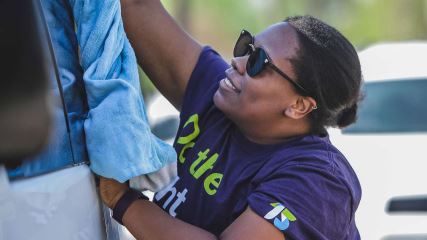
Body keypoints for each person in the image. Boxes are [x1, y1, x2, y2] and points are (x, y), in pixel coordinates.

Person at [100, 0, 363, 239]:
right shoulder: (222, 96)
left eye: (258, 61)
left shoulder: (318, 179)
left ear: (299, 106)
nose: (238, 61)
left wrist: (125, 202)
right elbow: (136, 6)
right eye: (246, 47)